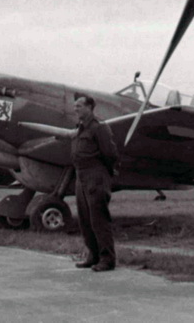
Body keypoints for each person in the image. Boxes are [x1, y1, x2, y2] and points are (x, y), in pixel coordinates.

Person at [71, 95, 119, 272]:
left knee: (99, 219)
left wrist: (102, 174)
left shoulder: (99, 127)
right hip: (81, 176)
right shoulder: (80, 128)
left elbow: (110, 154)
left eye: (80, 106)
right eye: (75, 106)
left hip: (95, 175)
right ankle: (93, 255)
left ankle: (107, 259)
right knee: (85, 219)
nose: (76, 109)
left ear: (90, 107)